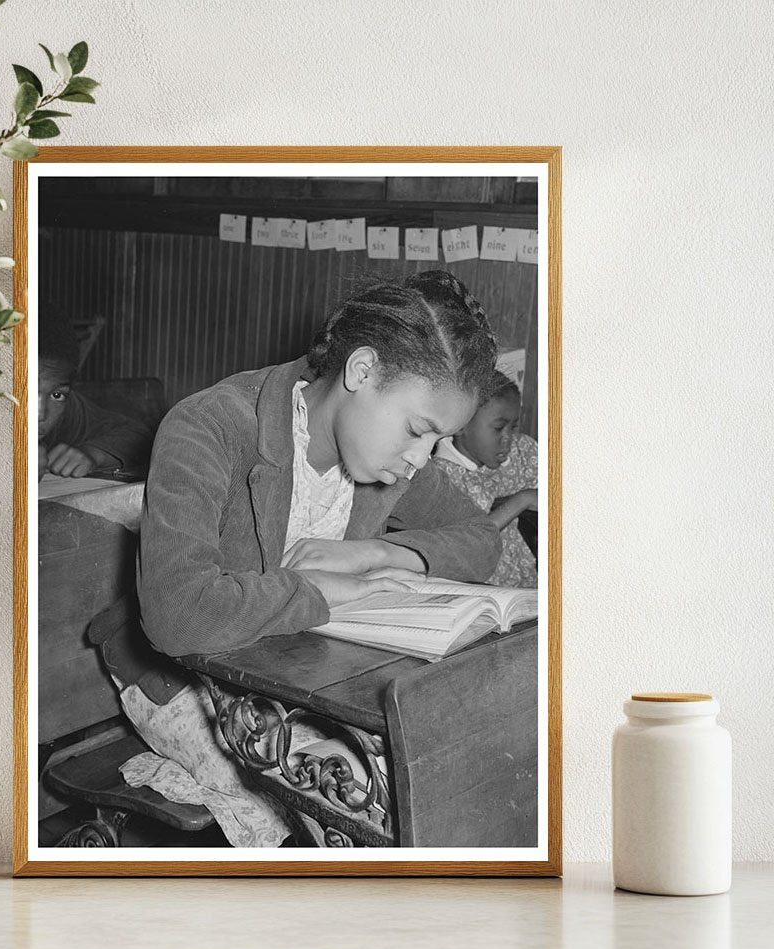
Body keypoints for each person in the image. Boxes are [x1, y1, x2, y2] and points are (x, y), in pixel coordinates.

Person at [113, 271, 503, 847]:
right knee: (338, 801)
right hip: (185, 677)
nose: (422, 459)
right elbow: (178, 614)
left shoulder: (387, 457)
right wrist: (319, 588)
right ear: (362, 371)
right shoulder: (210, 425)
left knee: (442, 770)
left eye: (437, 440)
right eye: (418, 430)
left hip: (313, 676)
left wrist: (372, 553)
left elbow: (482, 537)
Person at [434, 370, 538, 588]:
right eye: (498, 428)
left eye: (513, 427)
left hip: (532, 583)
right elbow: (469, 538)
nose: (508, 439)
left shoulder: (523, 451)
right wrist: (523, 500)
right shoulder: (440, 477)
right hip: (483, 590)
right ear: (460, 424)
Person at [37, 302, 154, 479]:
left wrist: (92, 454)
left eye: (57, 395)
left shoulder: (68, 409)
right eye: (27, 392)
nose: (41, 414)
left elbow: (138, 436)